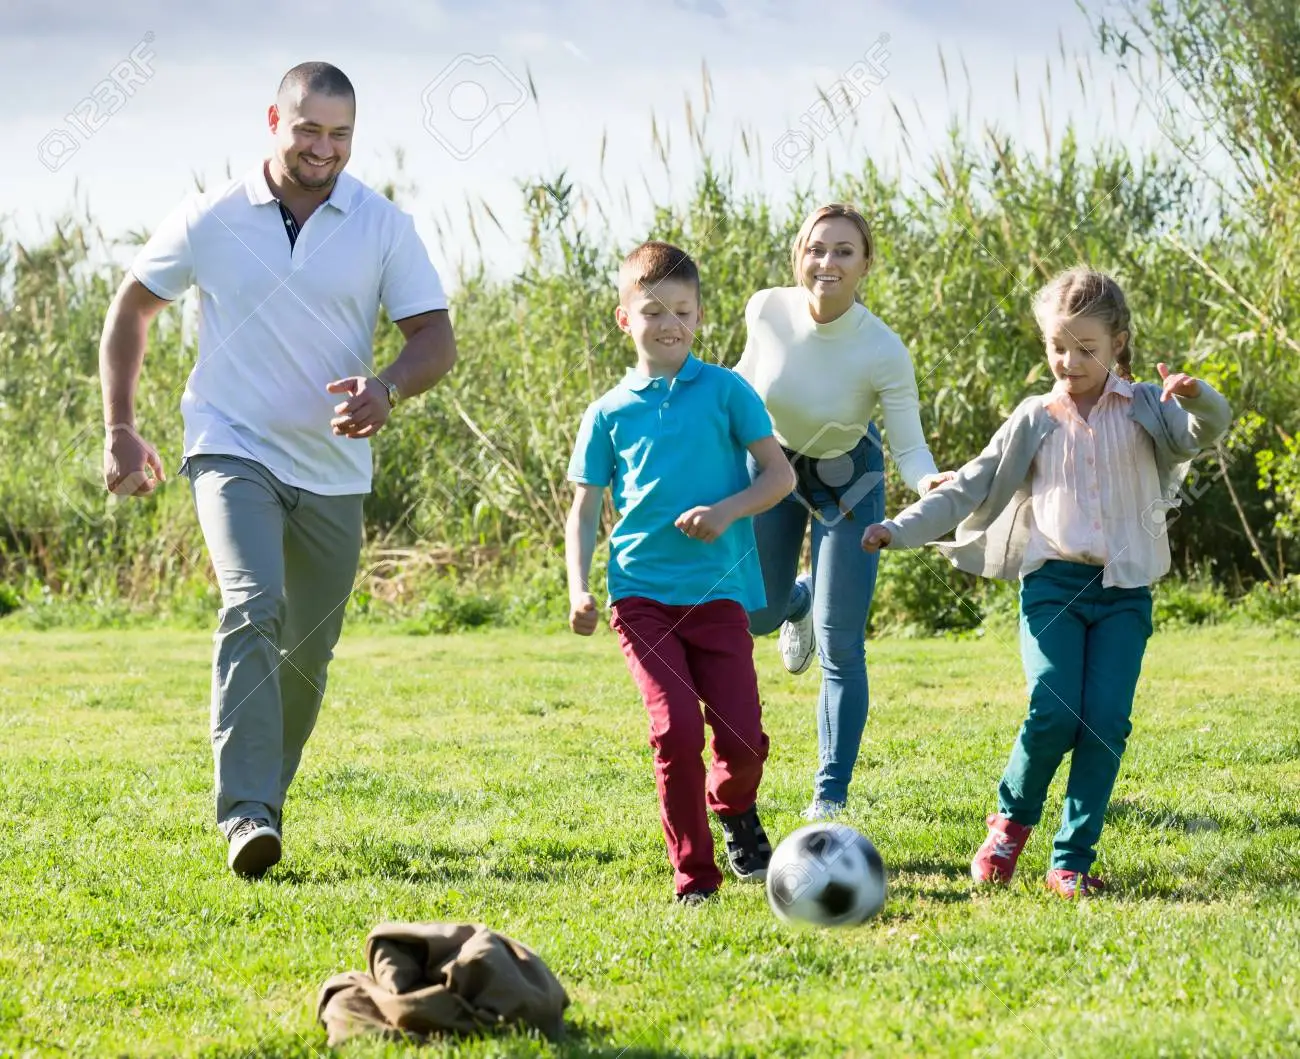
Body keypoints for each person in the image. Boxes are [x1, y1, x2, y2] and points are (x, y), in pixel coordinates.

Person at [97, 61, 457, 877]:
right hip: (231, 444)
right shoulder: (213, 214)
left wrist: (388, 388)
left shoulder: (381, 225)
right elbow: (132, 307)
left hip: (334, 466)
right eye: (309, 130)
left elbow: (435, 338)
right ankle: (246, 814)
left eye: (340, 135)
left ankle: (266, 797)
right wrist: (121, 426)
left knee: (306, 653)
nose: (325, 149)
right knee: (252, 601)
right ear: (273, 120)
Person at [861, 266, 1232, 898]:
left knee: (1105, 722)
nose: (1070, 360)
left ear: (1119, 342)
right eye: (1059, 346)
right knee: (1054, 707)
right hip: (1054, 586)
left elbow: (1207, 431)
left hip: (1124, 591)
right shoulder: (1036, 417)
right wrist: (900, 528)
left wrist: (1196, 395)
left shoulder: (1148, 406)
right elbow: (971, 485)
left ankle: (1072, 860)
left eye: (1087, 347)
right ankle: (1008, 825)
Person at [565, 241, 797, 905]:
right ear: (624, 319)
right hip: (639, 594)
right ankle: (694, 877)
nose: (668, 322)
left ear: (699, 318)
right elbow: (584, 511)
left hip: (719, 591)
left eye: (682, 310)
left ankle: (734, 806)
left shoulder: (728, 391)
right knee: (675, 730)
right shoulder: (608, 412)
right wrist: (580, 587)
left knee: (743, 738)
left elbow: (779, 476)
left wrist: (727, 511)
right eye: (653, 310)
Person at [735, 203, 950, 821]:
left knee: (841, 644)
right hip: (772, 467)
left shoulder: (883, 349)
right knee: (757, 617)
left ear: (865, 265)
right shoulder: (765, 308)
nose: (827, 263)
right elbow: (744, 382)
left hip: (847, 481)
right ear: (799, 254)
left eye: (844, 252)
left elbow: (908, 444)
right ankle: (795, 601)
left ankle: (829, 794)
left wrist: (928, 478)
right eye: (817, 249)